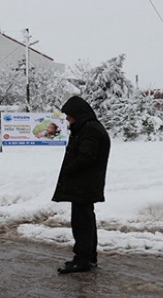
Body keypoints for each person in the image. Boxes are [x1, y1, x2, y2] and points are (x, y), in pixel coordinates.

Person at [52, 96, 111, 274]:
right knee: (85, 220)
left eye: (69, 115)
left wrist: (69, 169)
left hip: (83, 184)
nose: (68, 119)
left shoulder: (89, 129)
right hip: (85, 184)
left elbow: (87, 157)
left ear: (78, 114)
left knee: (81, 222)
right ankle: (88, 257)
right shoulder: (87, 127)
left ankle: (82, 259)